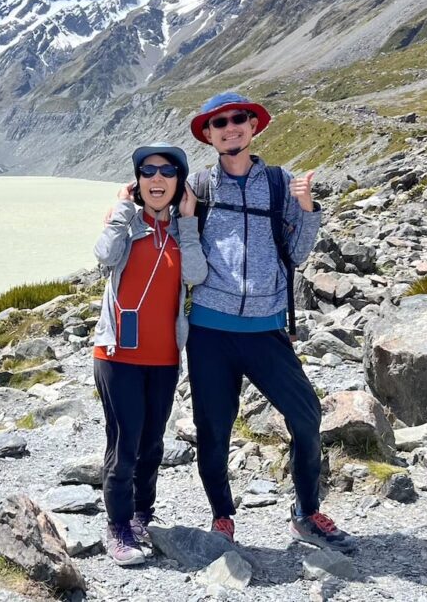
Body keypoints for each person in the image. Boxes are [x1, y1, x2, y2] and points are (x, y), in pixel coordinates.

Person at [185, 92, 354, 553]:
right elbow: (164, 220)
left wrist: (307, 209)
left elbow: (297, 254)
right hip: (210, 332)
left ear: (253, 127)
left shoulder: (279, 184)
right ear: (209, 135)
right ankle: (222, 516)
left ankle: (305, 511)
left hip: (265, 329)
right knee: (213, 428)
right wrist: (126, 200)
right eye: (219, 123)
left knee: (306, 416)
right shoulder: (198, 186)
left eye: (239, 119)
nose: (230, 127)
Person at [92, 144, 208, 566]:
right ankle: (118, 526)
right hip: (116, 354)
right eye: (148, 171)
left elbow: (196, 275)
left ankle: (142, 515)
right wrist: (123, 211)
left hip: (163, 358)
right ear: (137, 182)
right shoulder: (126, 225)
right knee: (123, 445)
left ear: (179, 183)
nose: (157, 179)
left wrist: (190, 224)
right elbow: (103, 256)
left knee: (152, 444)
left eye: (167, 172)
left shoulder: (182, 232)